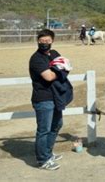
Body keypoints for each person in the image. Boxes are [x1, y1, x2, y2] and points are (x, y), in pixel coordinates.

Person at [29, 29, 64, 170]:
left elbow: (64, 64)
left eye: (48, 41)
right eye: (42, 41)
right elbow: (49, 76)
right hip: (43, 98)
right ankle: (42, 160)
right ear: (38, 41)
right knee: (43, 129)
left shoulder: (54, 53)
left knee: (57, 125)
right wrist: (60, 71)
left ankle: (48, 153)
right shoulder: (36, 59)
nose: (45, 43)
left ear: (52, 41)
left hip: (55, 97)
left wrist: (60, 70)